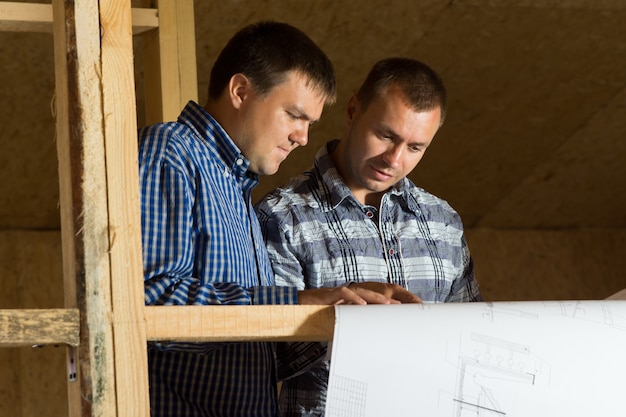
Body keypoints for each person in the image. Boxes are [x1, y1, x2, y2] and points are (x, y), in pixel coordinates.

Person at [138, 22, 418, 417]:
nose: (302, 138)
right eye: (294, 115)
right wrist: (295, 302)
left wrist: (341, 305)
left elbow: (244, 343)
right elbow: (146, 305)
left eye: (310, 124)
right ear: (240, 91)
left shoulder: (235, 187)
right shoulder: (171, 154)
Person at [255, 57, 483, 416]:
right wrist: (343, 319)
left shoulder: (444, 223)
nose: (394, 159)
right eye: (386, 135)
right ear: (352, 110)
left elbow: (471, 345)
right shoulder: (282, 217)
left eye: (414, 147)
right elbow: (265, 357)